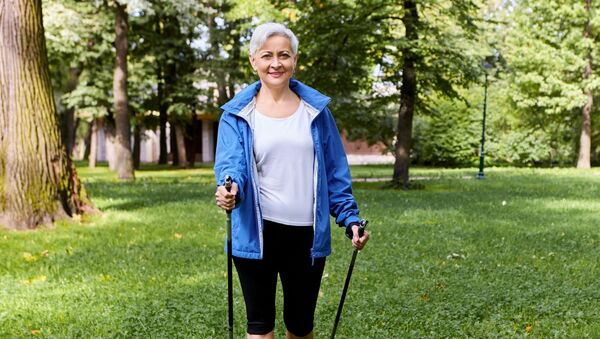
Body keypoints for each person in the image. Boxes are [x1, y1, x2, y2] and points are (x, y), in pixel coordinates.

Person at [214, 22, 370, 339]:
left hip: (306, 237)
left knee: (300, 327)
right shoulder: (236, 114)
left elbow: (335, 172)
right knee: (259, 328)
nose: (276, 63)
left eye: (284, 55)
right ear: (253, 61)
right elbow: (232, 164)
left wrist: (350, 219)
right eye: (267, 55)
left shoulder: (316, 112)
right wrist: (229, 188)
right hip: (256, 233)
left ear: (294, 60)